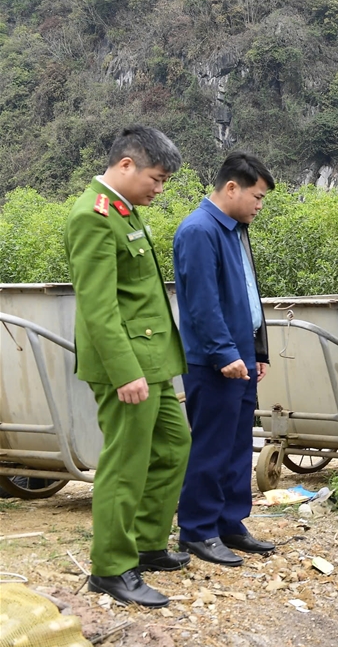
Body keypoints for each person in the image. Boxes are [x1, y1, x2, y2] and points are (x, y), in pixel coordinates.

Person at [64, 126, 191, 608]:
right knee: (125, 462)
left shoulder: (124, 211)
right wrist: (124, 372)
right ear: (125, 165)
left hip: (151, 361)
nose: (159, 189)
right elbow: (98, 308)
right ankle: (111, 567)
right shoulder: (93, 216)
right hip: (127, 367)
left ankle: (146, 543)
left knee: (174, 446)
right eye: (155, 179)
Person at [173, 153, 276, 566]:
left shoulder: (234, 229)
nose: (259, 205)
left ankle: (230, 522)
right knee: (212, 446)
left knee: (237, 444)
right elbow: (202, 303)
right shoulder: (199, 230)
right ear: (232, 187)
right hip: (214, 360)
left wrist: (258, 351)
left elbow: (247, 294)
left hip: (241, 352)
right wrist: (223, 353)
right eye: (257, 196)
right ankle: (198, 530)